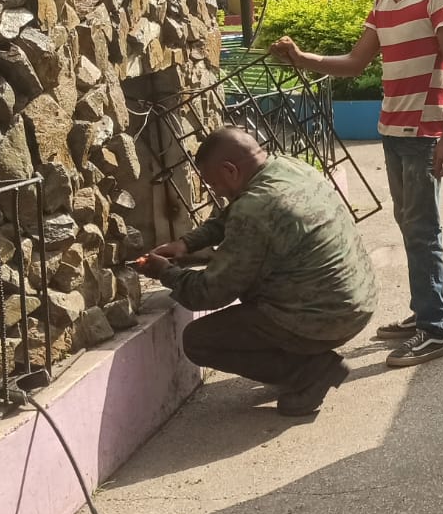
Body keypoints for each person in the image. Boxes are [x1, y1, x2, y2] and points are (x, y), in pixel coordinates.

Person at [270, 0, 443, 369]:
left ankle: (435, 330)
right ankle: (424, 312)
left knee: (422, 231)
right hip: (391, 131)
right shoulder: (383, 3)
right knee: (410, 226)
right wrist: (302, 58)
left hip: (423, 133)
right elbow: (356, 62)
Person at [139, 127, 378, 418]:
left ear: (230, 170)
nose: (216, 192)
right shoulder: (288, 167)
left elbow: (210, 292)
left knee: (198, 340)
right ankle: (303, 360)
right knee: (256, 293)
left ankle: (311, 371)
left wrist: (165, 272)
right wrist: (187, 243)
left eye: (214, 184)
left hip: (326, 317)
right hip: (359, 299)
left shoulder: (254, 210)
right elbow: (234, 213)